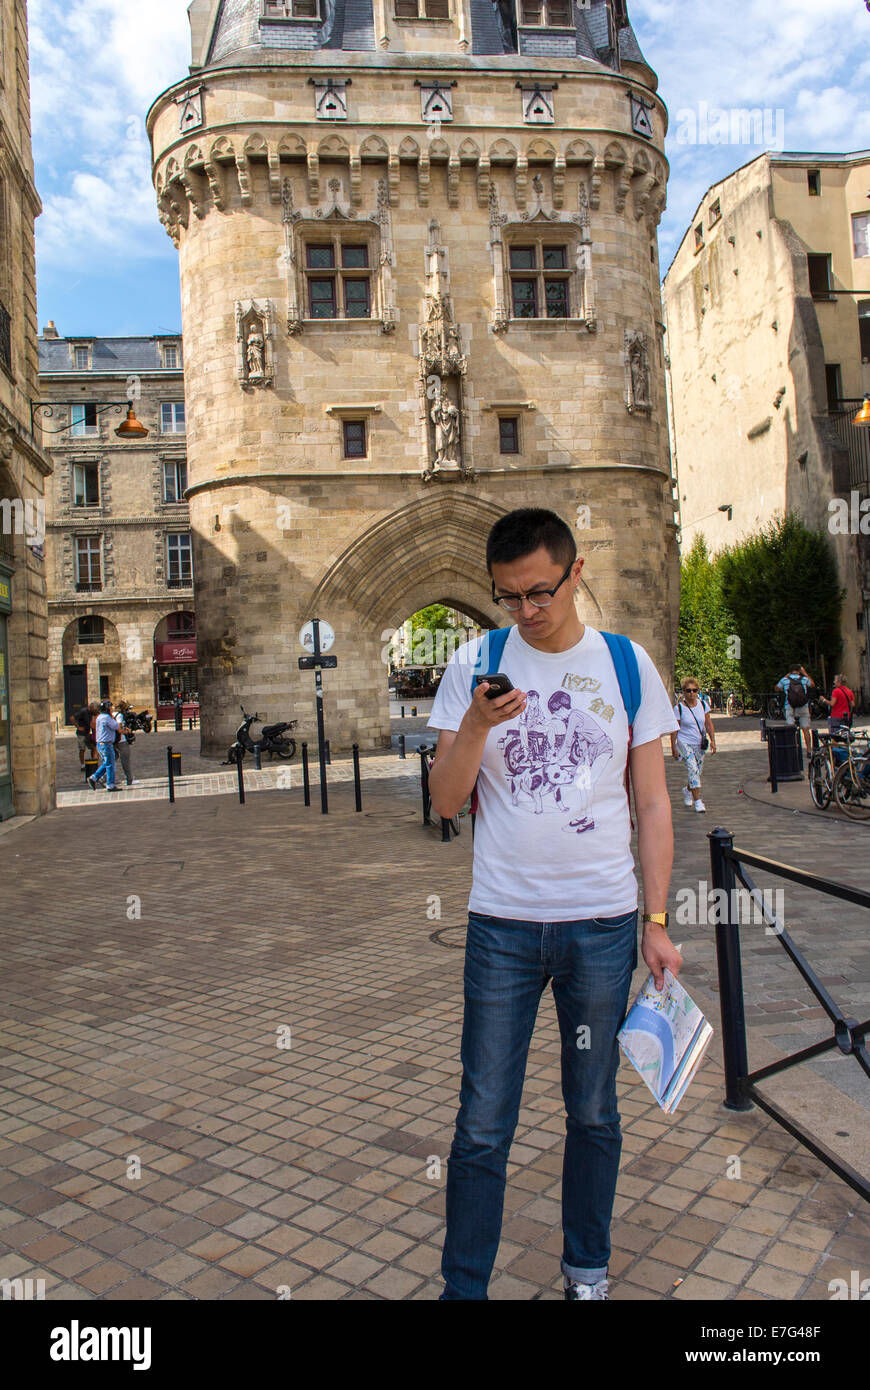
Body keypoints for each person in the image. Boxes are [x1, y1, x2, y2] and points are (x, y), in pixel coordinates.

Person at [426, 507, 681, 1302]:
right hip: (502, 923)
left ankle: (587, 1273)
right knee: (482, 1123)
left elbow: (652, 805)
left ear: (575, 574)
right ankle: (464, 1288)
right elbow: (444, 800)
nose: (527, 611)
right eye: (509, 597)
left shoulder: (625, 664)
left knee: (594, 1113)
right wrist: (473, 723)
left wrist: (659, 921)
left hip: (602, 926)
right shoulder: (476, 662)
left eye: (541, 592)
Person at [670, 678, 716, 813]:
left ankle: (687, 789)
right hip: (685, 742)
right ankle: (697, 801)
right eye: (688, 690)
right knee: (692, 768)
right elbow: (675, 728)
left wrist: (713, 740)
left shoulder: (703, 705)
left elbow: (708, 723)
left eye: (694, 690)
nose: (691, 693)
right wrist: (673, 746)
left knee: (697, 772)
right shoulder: (679, 708)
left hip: (699, 743)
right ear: (683, 692)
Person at [777, 663, 815, 759]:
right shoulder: (804, 679)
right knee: (806, 729)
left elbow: (777, 687)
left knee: (790, 729)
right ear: (799, 670)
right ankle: (809, 750)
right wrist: (805, 674)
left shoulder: (785, 680)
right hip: (803, 706)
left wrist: (786, 676)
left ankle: (792, 750)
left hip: (789, 706)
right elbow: (812, 685)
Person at [88, 699, 120, 792]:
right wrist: (113, 718)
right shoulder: (107, 717)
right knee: (110, 764)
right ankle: (110, 784)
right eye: (110, 707)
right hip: (107, 744)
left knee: (107, 763)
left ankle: (94, 778)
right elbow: (115, 726)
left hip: (100, 744)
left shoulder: (100, 717)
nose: (112, 709)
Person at [113, 700, 138, 787]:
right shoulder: (119, 716)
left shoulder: (112, 714)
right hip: (121, 740)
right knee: (125, 760)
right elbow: (119, 729)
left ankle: (104, 777)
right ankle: (129, 779)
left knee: (112, 759)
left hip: (113, 740)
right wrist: (127, 731)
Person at [73, 702, 97, 768]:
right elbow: (72, 718)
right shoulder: (83, 711)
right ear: (91, 708)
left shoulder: (93, 713)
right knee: (82, 749)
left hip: (88, 733)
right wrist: (78, 727)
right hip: (81, 733)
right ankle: (82, 764)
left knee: (93, 747)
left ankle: (93, 762)